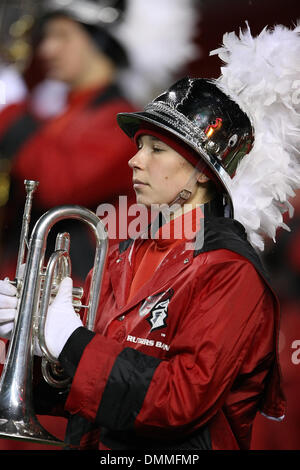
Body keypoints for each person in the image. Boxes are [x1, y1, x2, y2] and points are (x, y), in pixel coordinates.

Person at [0, 23, 299, 450]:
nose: (135, 161)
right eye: (140, 146)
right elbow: (83, 393)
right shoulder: (126, 252)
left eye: (156, 150)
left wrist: (72, 340)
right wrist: (31, 339)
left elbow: (178, 402)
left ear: (201, 172)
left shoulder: (231, 272)